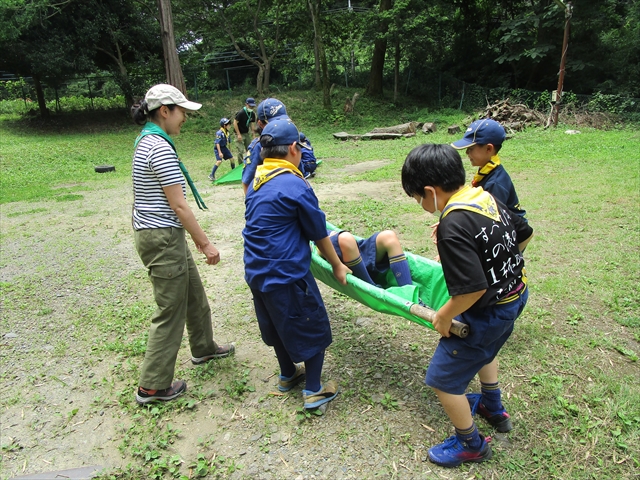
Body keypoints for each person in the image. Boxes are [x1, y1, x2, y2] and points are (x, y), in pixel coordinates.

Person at [401, 143, 533, 467]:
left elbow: (471, 290)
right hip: (516, 294)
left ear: (431, 191)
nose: (420, 204)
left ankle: (470, 443)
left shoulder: (453, 223)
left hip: (486, 312)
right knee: (487, 351)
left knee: (442, 380)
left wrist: (444, 316)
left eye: (418, 198)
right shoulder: (482, 196)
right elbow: (524, 233)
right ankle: (492, 406)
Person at [130, 84, 234, 405]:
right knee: (170, 308)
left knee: (193, 293)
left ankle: (203, 347)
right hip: (162, 237)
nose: (185, 118)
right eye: (182, 112)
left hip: (163, 235)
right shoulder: (158, 147)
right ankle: (152, 386)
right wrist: (206, 245)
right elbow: (179, 206)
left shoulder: (148, 140)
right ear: (165, 111)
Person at [243, 117, 351, 410]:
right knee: (313, 327)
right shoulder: (294, 183)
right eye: (300, 149)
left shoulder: (257, 180)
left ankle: (288, 374)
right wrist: (338, 265)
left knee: (277, 325)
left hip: (256, 271)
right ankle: (314, 391)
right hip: (286, 273)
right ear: (293, 148)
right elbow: (318, 233)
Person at [451, 119, 527, 222]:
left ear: (488, 149)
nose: (467, 152)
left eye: (471, 148)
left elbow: (490, 221)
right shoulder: (487, 171)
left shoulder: (494, 184)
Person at [325, 229, 414, 288]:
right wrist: (336, 263)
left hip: (355, 250)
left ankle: (410, 294)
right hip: (338, 256)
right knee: (345, 238)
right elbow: (317, 251)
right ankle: (373, 290)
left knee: (388, 236)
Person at [241, 98, 289, 195]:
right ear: (261, 124)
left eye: (283, 121)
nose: (279, 125)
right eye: (274, 122)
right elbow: (247, 181)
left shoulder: (290, 142)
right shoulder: (257, 147)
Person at [233, 97, 257, 162]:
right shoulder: (241, 113)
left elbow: (252, 123)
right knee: (240, 150)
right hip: (239, 133)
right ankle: (240, 164)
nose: (251, 108)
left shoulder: (252, 114)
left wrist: (253, 134)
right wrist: (238, 134)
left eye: (252, 107)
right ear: (246, 104)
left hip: (246, 133)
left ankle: (250, 162)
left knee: (250, 148)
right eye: (250, 106)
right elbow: (235, 123)